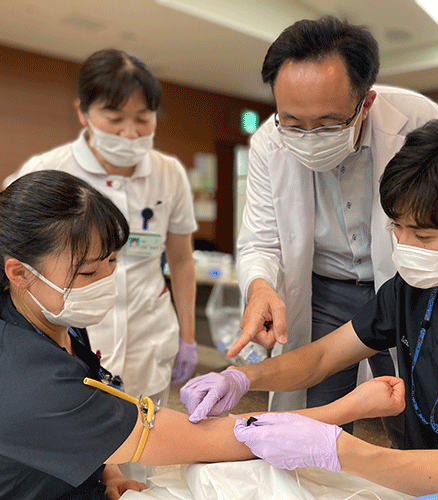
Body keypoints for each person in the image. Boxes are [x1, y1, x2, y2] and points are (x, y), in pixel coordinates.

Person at [0, 169, 406, 500]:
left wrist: (106, 470)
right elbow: (208, 441)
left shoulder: (53, 317)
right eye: (89, 273)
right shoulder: (28, 377)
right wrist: (346, 408)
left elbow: (99, 418)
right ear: (19, 273)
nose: (107, 280)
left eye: (111, 262)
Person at [181, 117, 438, 496]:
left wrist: (341, 449)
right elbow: (323, 357)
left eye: (423, 236)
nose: (403, 245)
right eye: (395, 228)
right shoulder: (413, 291)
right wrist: (243, 378)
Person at [231, 15, 438, 418]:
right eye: (293, 123)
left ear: (366, 102)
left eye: (328, 123)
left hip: (407, 283)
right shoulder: (267, 144)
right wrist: (260, 287)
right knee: (319, 408)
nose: (309, 136)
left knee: (416, 401)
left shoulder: (419, 121)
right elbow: (261, 240)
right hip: (325, 291)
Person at [3, 49, 198, 481]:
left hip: (150, 330)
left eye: (144, 119)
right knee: (79, 452)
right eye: (114, 118)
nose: (130, 133)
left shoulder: (169, 174)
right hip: (70, 332)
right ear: (83, 112)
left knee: (149, 450)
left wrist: (187, 336)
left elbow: (182, 262)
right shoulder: (48, 171)